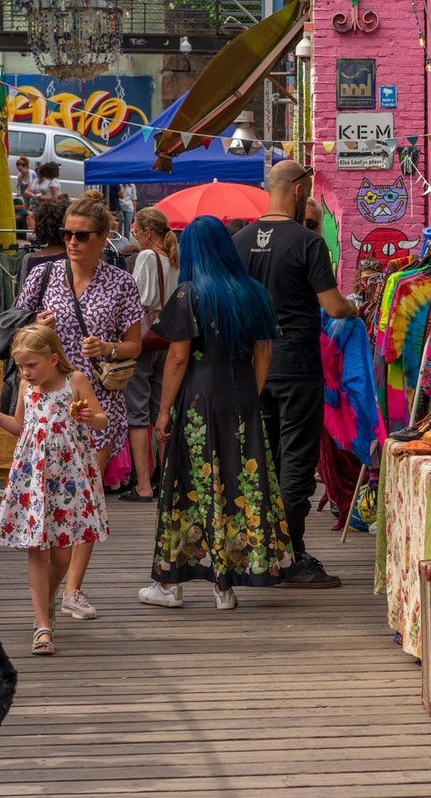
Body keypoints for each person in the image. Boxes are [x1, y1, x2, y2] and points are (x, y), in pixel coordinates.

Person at [140, 216, 291, 609]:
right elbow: (265, 351)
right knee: (239, 482)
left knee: (191, 484)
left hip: (198, 399)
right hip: (242, 394)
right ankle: (225, 587)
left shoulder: (189, 293)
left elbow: (176, 358)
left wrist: (163, 412)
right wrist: (249, 398)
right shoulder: (253, 291)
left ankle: (171, 586)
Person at [14, 190, 144, 618]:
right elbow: (17, 337)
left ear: (103, 237)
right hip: (47, 402)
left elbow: (134, 345)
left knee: (85, 495)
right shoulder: (43, 276)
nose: (72, 241)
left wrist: (107, 346)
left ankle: (71, 589)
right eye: (67, 233)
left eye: (82, 235)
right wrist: (36, 324)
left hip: (96, 404)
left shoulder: (120, 282)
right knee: (50, 497)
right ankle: (47, 592)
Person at [233, 161, 359, 588]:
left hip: (252, 366)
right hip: (295, 363)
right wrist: (356, 306)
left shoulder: (239, 242)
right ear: (300, 189)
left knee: (262, 460)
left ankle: (261, 549)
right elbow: (333, 306)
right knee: (296, 463)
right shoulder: (307, 242)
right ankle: (290, 555)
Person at [0, 324, 109, 656]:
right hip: (33, 476)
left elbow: (102, 420)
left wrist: (88, 416)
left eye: (32, 365)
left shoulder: (75, 382)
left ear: (54, 358)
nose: (26, 372)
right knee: (36, 550)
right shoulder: (27, 386)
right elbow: (20, 425)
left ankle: (49, 598)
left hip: (68, 476)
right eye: (22, 366)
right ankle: (42, 624)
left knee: (62, 554)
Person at [123, 206, 178, 502]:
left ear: (147, 232)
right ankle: (164, 476)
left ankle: (143, 484)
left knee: (137, 410)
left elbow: (139, 300)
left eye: (135, 231)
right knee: (161, 409)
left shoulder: (146, 257)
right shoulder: (174, 258)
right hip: (168, 339)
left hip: (144, 339)